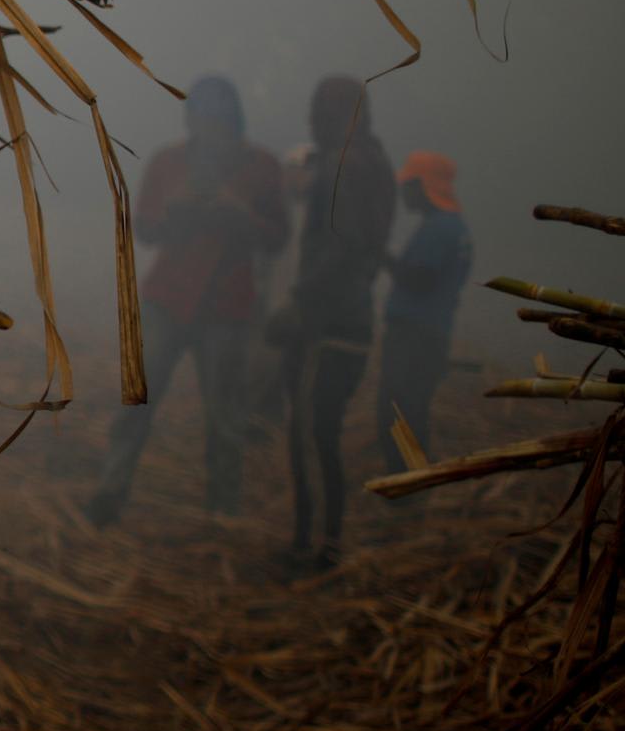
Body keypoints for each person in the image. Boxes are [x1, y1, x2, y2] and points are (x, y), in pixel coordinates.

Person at [86, 76, 287, 525]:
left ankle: (223, 509)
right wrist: (177, 207)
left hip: (227, 306)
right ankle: (110, 492)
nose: (208, 132)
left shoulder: (261, 168)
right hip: (169, 300)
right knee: (137, 401)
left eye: (216, 122)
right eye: (200, 121)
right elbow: (148, 228)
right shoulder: (170, 162)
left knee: (225, 417)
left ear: (233, 123)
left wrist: (240, 213)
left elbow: (276, 238)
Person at [275, 75, 395, 571]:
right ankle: (317, 540)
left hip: (329, 321)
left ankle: (316, 545)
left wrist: (298, 300)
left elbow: (343, 244)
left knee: (311, 432)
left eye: (319, 110)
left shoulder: (347, 164)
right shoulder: (371, 162)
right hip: (348, 316)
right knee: (317, 431)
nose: (310, 119)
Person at [375, 151, 473, 473]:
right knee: (412, 407)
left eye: (408, 185)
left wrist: (381, 256)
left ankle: (406, 485)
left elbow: (420, 280)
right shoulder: (452, 227)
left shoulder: (440, 229)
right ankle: (410, 482)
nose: (404, 192)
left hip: (414, 335)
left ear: (424, 185)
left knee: (399, 410)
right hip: (431, 333)